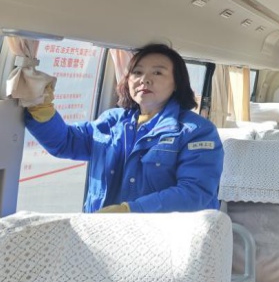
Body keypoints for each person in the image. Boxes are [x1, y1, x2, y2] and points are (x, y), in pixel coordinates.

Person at [25, 43, 224, 213]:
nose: (144, 79)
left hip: (161, 237)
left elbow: (195, 193)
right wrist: (41, 108)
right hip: (100, 230)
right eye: (137, 72)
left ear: (177, 84)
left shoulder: (196, 131)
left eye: (158, 72)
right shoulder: (112, 121)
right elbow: (65, 142)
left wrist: (131, 211)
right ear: (128, 80)